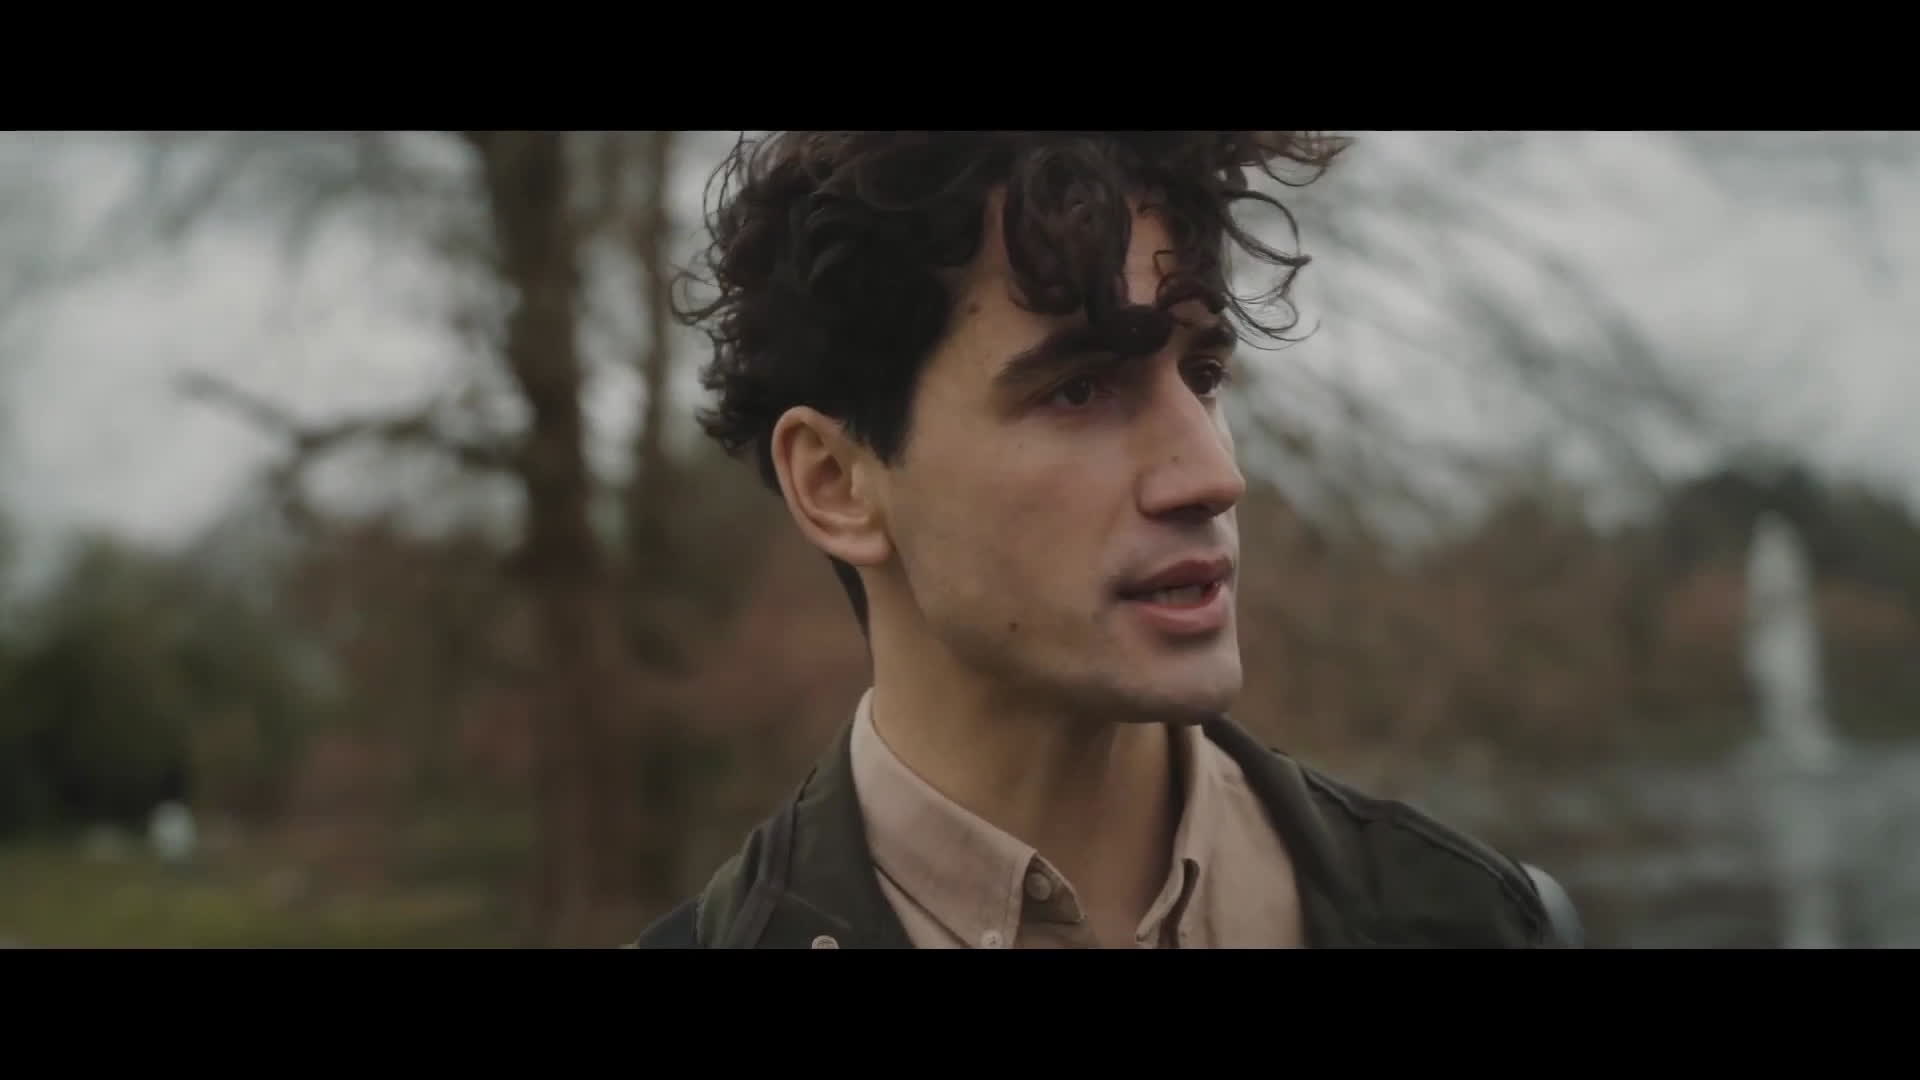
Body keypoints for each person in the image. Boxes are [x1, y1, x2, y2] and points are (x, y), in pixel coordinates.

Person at [632, 131, 1582, 949]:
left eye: (1203, 375)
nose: (1212, 474)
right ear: (836, 485)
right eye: (1079, 389)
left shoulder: (1476, 920)